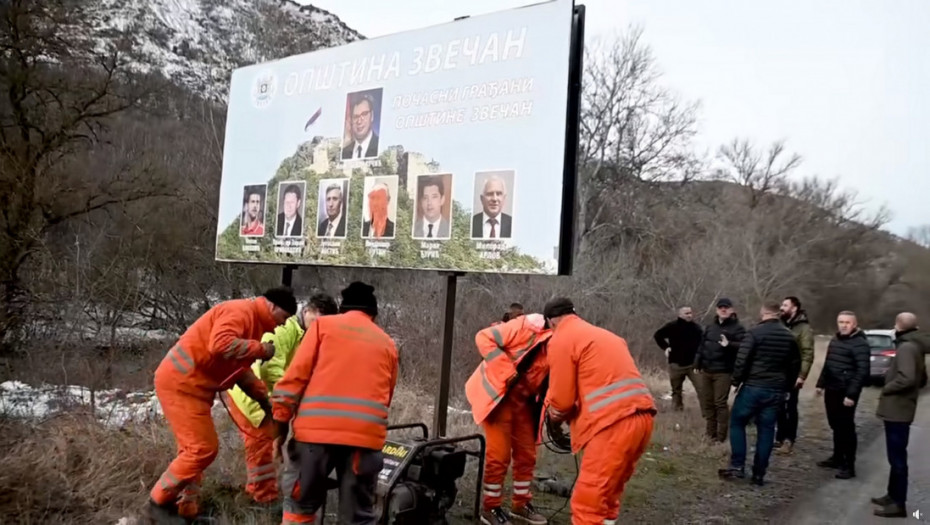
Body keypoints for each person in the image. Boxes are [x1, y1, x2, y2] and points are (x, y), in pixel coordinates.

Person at [146, 288, 297, 522]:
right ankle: (158, 503)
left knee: (192, 452)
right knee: (202, 450)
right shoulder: (240, 311)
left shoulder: (253, 322)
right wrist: (261, 350)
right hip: (181, 383)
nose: (280, 326)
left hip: (194, 387)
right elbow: (220, 344)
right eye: (284, 318)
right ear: (272, 307)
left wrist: (263, 399)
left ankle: (186, 510)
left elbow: (238, 371)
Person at [271, 282, 398, 524]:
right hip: (363, 441)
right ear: (374, 314)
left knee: (300, 506)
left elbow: (294, 379)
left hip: (313, 439)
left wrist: (279, 425)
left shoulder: (322, 327)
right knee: (358, 517)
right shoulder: (387, 343)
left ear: (343, 308)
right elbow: (387, 395)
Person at [543, 297, 657, 525]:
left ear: (551, 322)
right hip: (643, 418)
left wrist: (553, 418)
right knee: (609, 494)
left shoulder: (561, 339)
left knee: (588, 501)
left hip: (612, 424)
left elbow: (562, 401)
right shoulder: (607, 336)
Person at [222, 294, 338, 505]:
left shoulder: (304, 334)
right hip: (252, 397)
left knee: (265, 445)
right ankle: (262, 499)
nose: (319, 327)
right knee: (260, 447)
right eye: (317, 321)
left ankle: (256, 492)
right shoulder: (285, 330)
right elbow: (269, 369)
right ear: (307, 312)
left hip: (265, 397)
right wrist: (289, 396)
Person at [465, 313, 552, 525]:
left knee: (527, 453)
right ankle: (490, 508)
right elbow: (483, 337)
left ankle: (520, 505)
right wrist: (506, 370)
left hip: (523, 402)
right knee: (499, 455)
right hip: (498, 397)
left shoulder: (561, 345)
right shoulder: (525, 327)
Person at [719, 301, 800, 486]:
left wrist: (735, 382)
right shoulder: (789, 336)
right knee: (766, 430)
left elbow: (742, 360)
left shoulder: (754, 333)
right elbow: (794, 365)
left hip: (754, 387)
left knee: (737, 422)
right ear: (778, 314)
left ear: (764, 313)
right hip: (776, 390)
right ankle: (759, 474)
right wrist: (787, 388)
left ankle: (737, 467)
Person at [872, 312, 929, 518]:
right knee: (895, 456)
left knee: (897, 458)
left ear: (898, 326)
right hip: (903, 407)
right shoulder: (916, 345)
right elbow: (922, 379)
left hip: (898, 409)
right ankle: (892, 494)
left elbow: (907, 378)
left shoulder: (906, 347)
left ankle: (898, 503)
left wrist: (887, 387)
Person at [813, 311, 870, 479]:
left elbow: (862, 371)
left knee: (846, 428)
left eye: (847, 322)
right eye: (841, 322)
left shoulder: (860, 344)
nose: (843, 325)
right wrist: (820, 384)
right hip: (832, 388)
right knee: (835, 425)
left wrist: (851, 394)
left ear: (854, 324)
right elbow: (829, 363)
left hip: (846, 391)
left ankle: (848, 465)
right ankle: (837, 457)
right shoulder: (836, 339)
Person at [694, 298, 747, 442]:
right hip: (707, 370)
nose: (723, 310)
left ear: (732, 310)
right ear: (716, 310)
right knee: (708, 402)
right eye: (720, 307)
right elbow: (702, 346)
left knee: (720, 403)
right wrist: (697, 363)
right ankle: (710, 434)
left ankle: (721, 436)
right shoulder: (710, 327)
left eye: (726, 307)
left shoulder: (738, 328)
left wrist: (729, 344)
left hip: (724, 371)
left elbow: (745, 346)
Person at [774, 296, 815, 455]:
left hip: (793, 374)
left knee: (790, 407)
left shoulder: (803, 328)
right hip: (778, 373)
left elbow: (807, 353)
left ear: (794, 308)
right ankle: (779, 437)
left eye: (785, 305)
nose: (782, 308)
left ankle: (789, 440)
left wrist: (802, 375)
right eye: (782, 304)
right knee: (778, 406)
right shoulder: (780, 323)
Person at [653, 306, 704, 411]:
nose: (689, 315)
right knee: (676, 390)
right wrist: (666, 347)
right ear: (680, 315)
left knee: (702, 388)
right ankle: (677, 410)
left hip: (693, 365)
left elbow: (703, 345)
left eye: (690, 313)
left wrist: (701, 360)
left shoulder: (696, 328)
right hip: (676, 364)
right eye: (686, 313)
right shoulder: (672, 326)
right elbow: (658, 335)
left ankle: (707, 411)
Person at [341, 94, 380, 160]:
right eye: (355, 117)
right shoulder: (344, 153)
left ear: (372, 116)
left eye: (364, 114)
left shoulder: (380, 146)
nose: (359, 121)